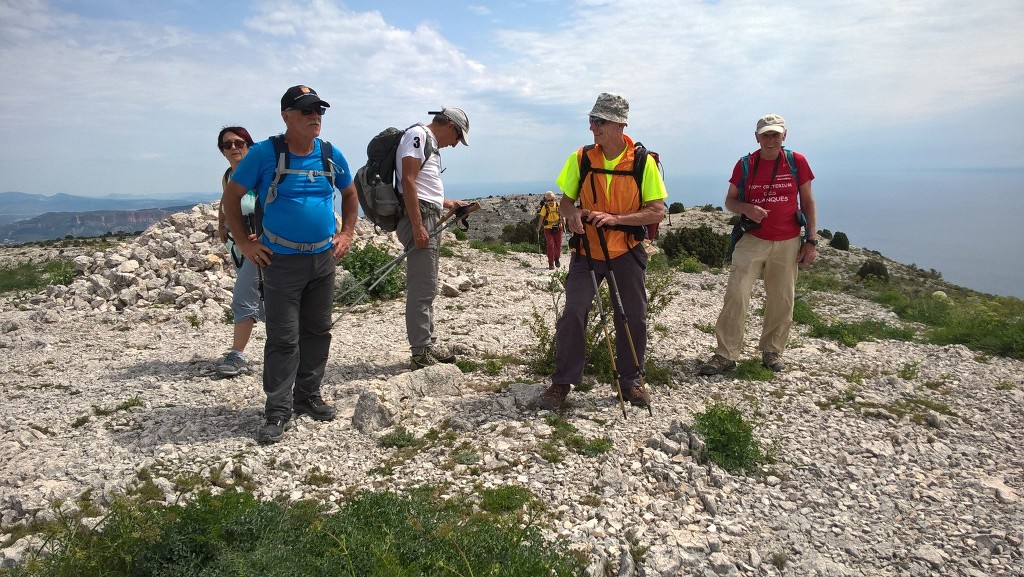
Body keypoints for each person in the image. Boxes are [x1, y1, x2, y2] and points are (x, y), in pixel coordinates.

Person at [222, 85, 359, 445]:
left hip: (323, 258)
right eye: (307, 111)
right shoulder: (265, 154)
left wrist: (346, 233)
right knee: (284, 337)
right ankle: (277, 411)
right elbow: (232, 197)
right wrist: (244, 242)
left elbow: (349, 192)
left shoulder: (330, 154)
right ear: (287, 116)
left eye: (320, 110)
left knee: (318, 331)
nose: (316, 116)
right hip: (280, 261)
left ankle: (307, 397)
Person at [534, 93, 667, 410]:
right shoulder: (581, 158)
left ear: (620, 124)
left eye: (600, 121)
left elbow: (657, 211)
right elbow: (566, 201)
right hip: (587, 252)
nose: (593, 127)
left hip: (627, 251)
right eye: (592, 120)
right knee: (573, 314)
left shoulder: (641, 162)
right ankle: (561, 383)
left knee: (633, 317)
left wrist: (617, 219)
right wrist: (573, 214)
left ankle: (630, 381)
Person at [698, 113, 817, 376]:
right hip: (752, 239)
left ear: (784, 135)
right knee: (737, 294)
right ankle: (725, 354)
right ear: (757, 137)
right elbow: (730, 201)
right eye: (766, 134)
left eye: (775, 134)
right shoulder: (745, 165)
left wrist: (810, 240)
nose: (770, 139)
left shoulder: (797, 162)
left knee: (782, 298)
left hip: (787, 241)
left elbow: (807, 202)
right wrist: (748, 209)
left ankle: (772, 351)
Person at [396, 108, 470, 370]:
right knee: (421, 287)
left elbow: (422, 187)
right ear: (449, 125)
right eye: (458, 135)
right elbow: (408, 180)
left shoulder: (426, 141)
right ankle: (420, 352)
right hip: (420, 218)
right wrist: (418, 226)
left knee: (427, 285)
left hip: (428, 214)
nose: (455, 143)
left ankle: (426, 344)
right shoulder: (418, 136)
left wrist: (447, 203)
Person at [214, 126, 265, 378]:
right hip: (237, 245)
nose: (234, 148)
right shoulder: (229, 175)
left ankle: (237, 354)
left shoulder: (260, 176)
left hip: (258, 245)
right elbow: (227, 200)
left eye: (239, 143)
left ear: (249, 145)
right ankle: (291, 345)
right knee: (263, 298)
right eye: (227, 145)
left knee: (244, 296)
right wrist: (221, 224)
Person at [536, 190, 564, 269]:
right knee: (550, 244)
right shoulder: (545, 207)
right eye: (548, 200)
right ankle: (551, 263)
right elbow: (541, 218)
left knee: (558, 244)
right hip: (548, 228)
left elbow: (561, 214)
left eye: (552, 200)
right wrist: (538, 227)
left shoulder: (558, 205)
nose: (550, 201)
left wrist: (563, 220)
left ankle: (557, 258)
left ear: (554, 199)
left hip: (558, 227)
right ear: (546, 200)